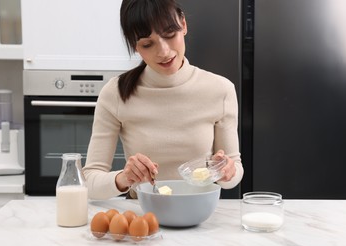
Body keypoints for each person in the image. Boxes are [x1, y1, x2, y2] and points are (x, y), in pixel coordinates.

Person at [83, 0, 244, 199]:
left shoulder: (221, 90)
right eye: (147, 44)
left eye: (170, 35)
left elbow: (234, 170)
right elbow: (89, 182)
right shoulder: (115, 93)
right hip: (143, 217)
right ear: (135, 45)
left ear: (183, 25)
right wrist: (124, 178)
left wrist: (226, 171)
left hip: (199, 215)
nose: (164, 52)